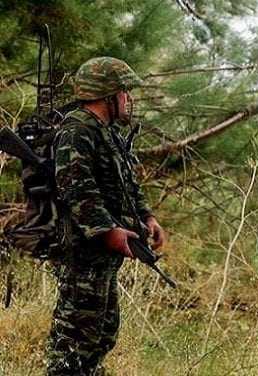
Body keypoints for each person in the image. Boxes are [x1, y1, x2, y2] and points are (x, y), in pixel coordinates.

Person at [46, 57, 166, 375]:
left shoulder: (106, 133)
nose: (129, 99)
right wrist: (108, 231)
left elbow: (127, 182)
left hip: (101, 256)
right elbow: (77, 190)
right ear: (108, 95)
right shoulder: (77, 130)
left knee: (101, 334)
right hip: (82, 252)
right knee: (74, 340)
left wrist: (147, 216)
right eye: (125, 92)